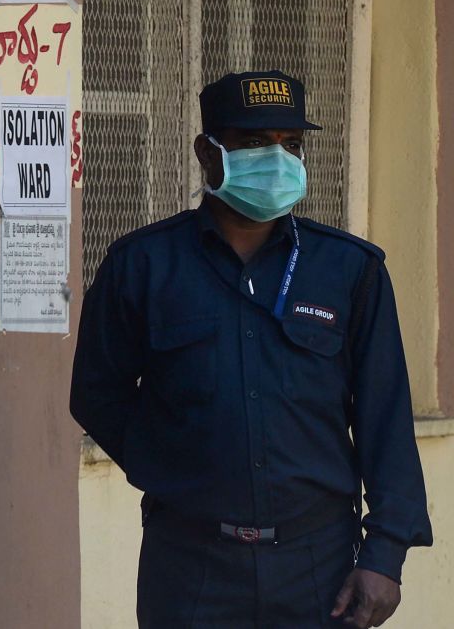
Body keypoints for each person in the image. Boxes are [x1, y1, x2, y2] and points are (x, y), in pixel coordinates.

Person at [70, 70, 432, 628]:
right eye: (254, 143)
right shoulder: (141, 266)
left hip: (320, 566)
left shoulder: (349, 270)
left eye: (291, 144)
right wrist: (171, 469)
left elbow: (386, 416)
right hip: (190, 564)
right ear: (207, 153)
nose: (277, 159)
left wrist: (386, 553)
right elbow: (97, 394)